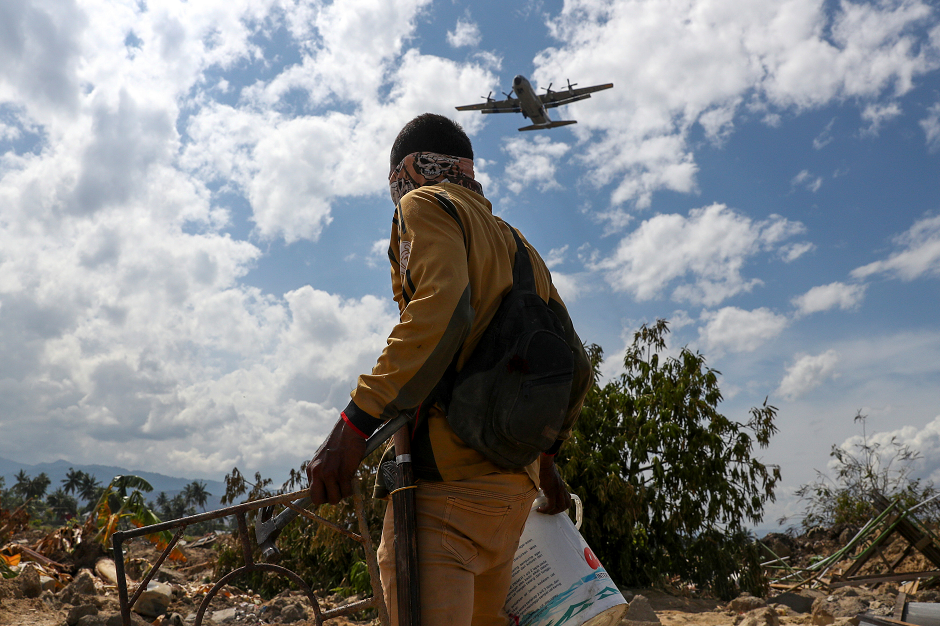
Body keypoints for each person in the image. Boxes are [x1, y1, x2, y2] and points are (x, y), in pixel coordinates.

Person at [305, 113, 592, 625]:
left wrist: (353, 423)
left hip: (444, 495)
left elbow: (443, 305)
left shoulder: (424, 204)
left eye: (393, 184)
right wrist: (546, 463)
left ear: (408, 171)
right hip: (512, 493)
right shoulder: (518, 243)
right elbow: (576, 362)